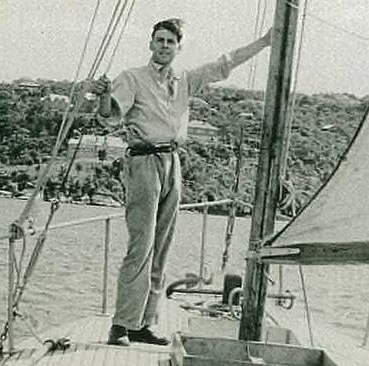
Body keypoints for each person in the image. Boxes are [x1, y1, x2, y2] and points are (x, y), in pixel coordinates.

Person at [89, 18, 272, 347]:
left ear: (178, 47)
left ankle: (144, 323)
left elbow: (224, 64)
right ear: (150, 44)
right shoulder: (132, 78)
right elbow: (109, 115)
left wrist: (264, 42)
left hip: (173, 162)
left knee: (162, 246)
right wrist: (102, 97)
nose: (164, 46)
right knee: (141, 245)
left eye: (170, 42)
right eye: (159, 40)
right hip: (143, 161)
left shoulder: (185, 80)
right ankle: (121, 324)